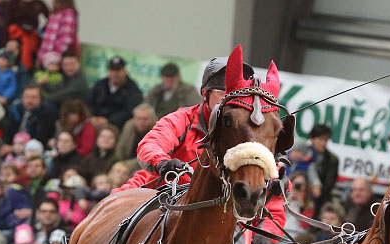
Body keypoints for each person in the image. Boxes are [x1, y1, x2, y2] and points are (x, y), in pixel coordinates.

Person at [111, 52, 286, 234]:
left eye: (235, 95)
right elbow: (150, 143)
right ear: (204, 94)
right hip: (164, 196)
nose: (229, 100)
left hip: (223, 215)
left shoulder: (247, 132)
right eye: (222, 93)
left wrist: (269, 230)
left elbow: (269, 192)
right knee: (109, 220)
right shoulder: (183, 119)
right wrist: (162, 162)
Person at [88, 56, 143, 130]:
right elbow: (88, 102)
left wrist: (108, 121)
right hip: (95, 122)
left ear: (125, 71)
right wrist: (92, 117)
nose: (115, 73)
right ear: (108, 70)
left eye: (118, 70)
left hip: (117, 127)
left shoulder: (133, 89)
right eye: (112, 70)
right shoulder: (100, 84)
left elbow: (129, 111)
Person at [2, 0, 49, 69]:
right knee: (10, 60)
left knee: (29, 62)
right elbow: (6, 23)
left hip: (31, 39)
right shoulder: (13, 3)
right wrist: (4, 42)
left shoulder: (38, 4)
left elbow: (51, 17)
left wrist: (42, 30)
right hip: (15, 38)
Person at [309, 124, 339, 211]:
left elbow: (328, 186)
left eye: (326, 140)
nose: (323, 143)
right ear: (312, 139)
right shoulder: (303, 153)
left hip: (319, 202)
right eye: (320, 139)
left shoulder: (332, 159)